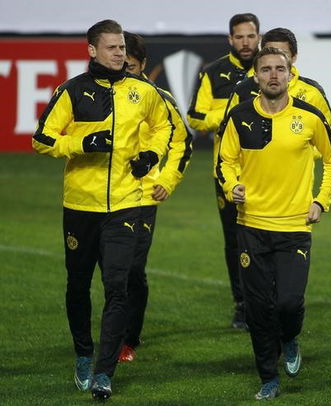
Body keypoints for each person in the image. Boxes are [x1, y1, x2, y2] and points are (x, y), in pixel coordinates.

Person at [32, 20, 172, 400]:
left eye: (122, 48)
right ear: (92, 50)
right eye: (111, 48)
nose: (119, 54)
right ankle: (82, 352)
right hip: (80, 206)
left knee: (118, 287)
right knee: (78, 285)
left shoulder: (144, 91)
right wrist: (82, 141)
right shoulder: (72, 91)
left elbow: (165, 128)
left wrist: (151, 155)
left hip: (125, 206)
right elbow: (42, 138)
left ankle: (103, 372)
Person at [217, 47, 331, 400]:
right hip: (251, 225)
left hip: (294, 227)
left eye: (280, 69)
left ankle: (289, 337)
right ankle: (268, 376)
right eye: (266, 69)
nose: (274, 75)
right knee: (258, 308)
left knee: (288, 304)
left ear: (291, 74)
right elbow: (224, 162)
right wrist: (231, 186)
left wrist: (321, 201)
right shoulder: (239, 116)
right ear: (255, 77)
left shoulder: (310, 116)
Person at [117, 31, 193, 363]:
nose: (124, 71)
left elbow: (183, 141)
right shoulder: (107, 93)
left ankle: (128, 338)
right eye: (120, 65)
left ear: (143, 64)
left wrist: (167, 178)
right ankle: (115, 333)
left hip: (143, 196)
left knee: (132, 269)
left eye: (130, 66)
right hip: (105, 196)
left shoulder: (159, 98)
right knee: (112, 270)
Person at [187, 13, 261, 329]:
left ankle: (267, 299)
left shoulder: (271, 70)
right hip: (228, 171)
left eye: (251, 36)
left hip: (266, 170)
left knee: (268, 238)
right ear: (230, 40)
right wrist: (233, 112)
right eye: (239, 37)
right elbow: (195, 117)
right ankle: (242, 304)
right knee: (234, 240)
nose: (246, 42)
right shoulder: (213, 73)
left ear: (259, 37)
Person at [224, 27, 331, 130]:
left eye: (283, 54)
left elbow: (328, 131)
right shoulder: (242, 90)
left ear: (294, 56)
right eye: (270, 52)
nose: (276, 58)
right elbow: (228, 132)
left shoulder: (312, 92)